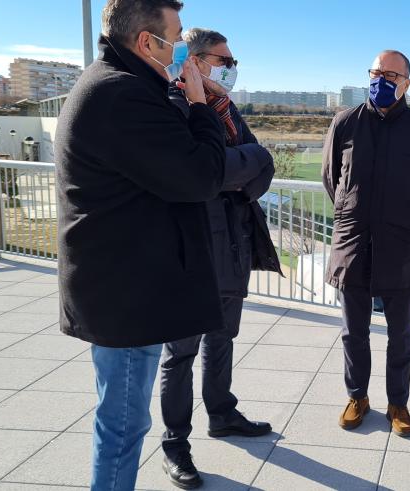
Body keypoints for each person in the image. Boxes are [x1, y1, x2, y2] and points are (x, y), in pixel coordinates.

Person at [55, 0, 266, 488]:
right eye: (176, 39)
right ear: (149, 42)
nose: (184, 55)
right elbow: (199, 176)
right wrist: (198, 106)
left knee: (122, 421)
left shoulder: (119, 86)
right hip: (127, 297)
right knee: (125, 426)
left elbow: (223, 167)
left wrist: (212, 125)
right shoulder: (122, 95)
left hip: (129, 287)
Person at [157, 27, 280, 490]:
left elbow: (260, 163)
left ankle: (222, 413)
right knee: (180, 353)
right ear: (196, 59)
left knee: (223, 337)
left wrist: (232, 170)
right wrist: (230, 170)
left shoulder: (226, 110)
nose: (229, 69)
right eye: (223, 60)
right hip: (190, 253)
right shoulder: (170, 105)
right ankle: (175, 444)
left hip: (230, 245)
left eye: (233, 62)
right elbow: (198, 174)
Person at [321, 50, 410, 437]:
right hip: (353, 246)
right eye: (376, 72)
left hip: (401, 249)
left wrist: (401, 218)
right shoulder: (345, 123)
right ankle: (357, 396)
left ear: (407, 82)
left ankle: (398, 403)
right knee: (352, 332)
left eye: (391, 74)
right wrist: (354, 215)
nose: (382, 79)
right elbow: (332, 180)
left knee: (401, 336)